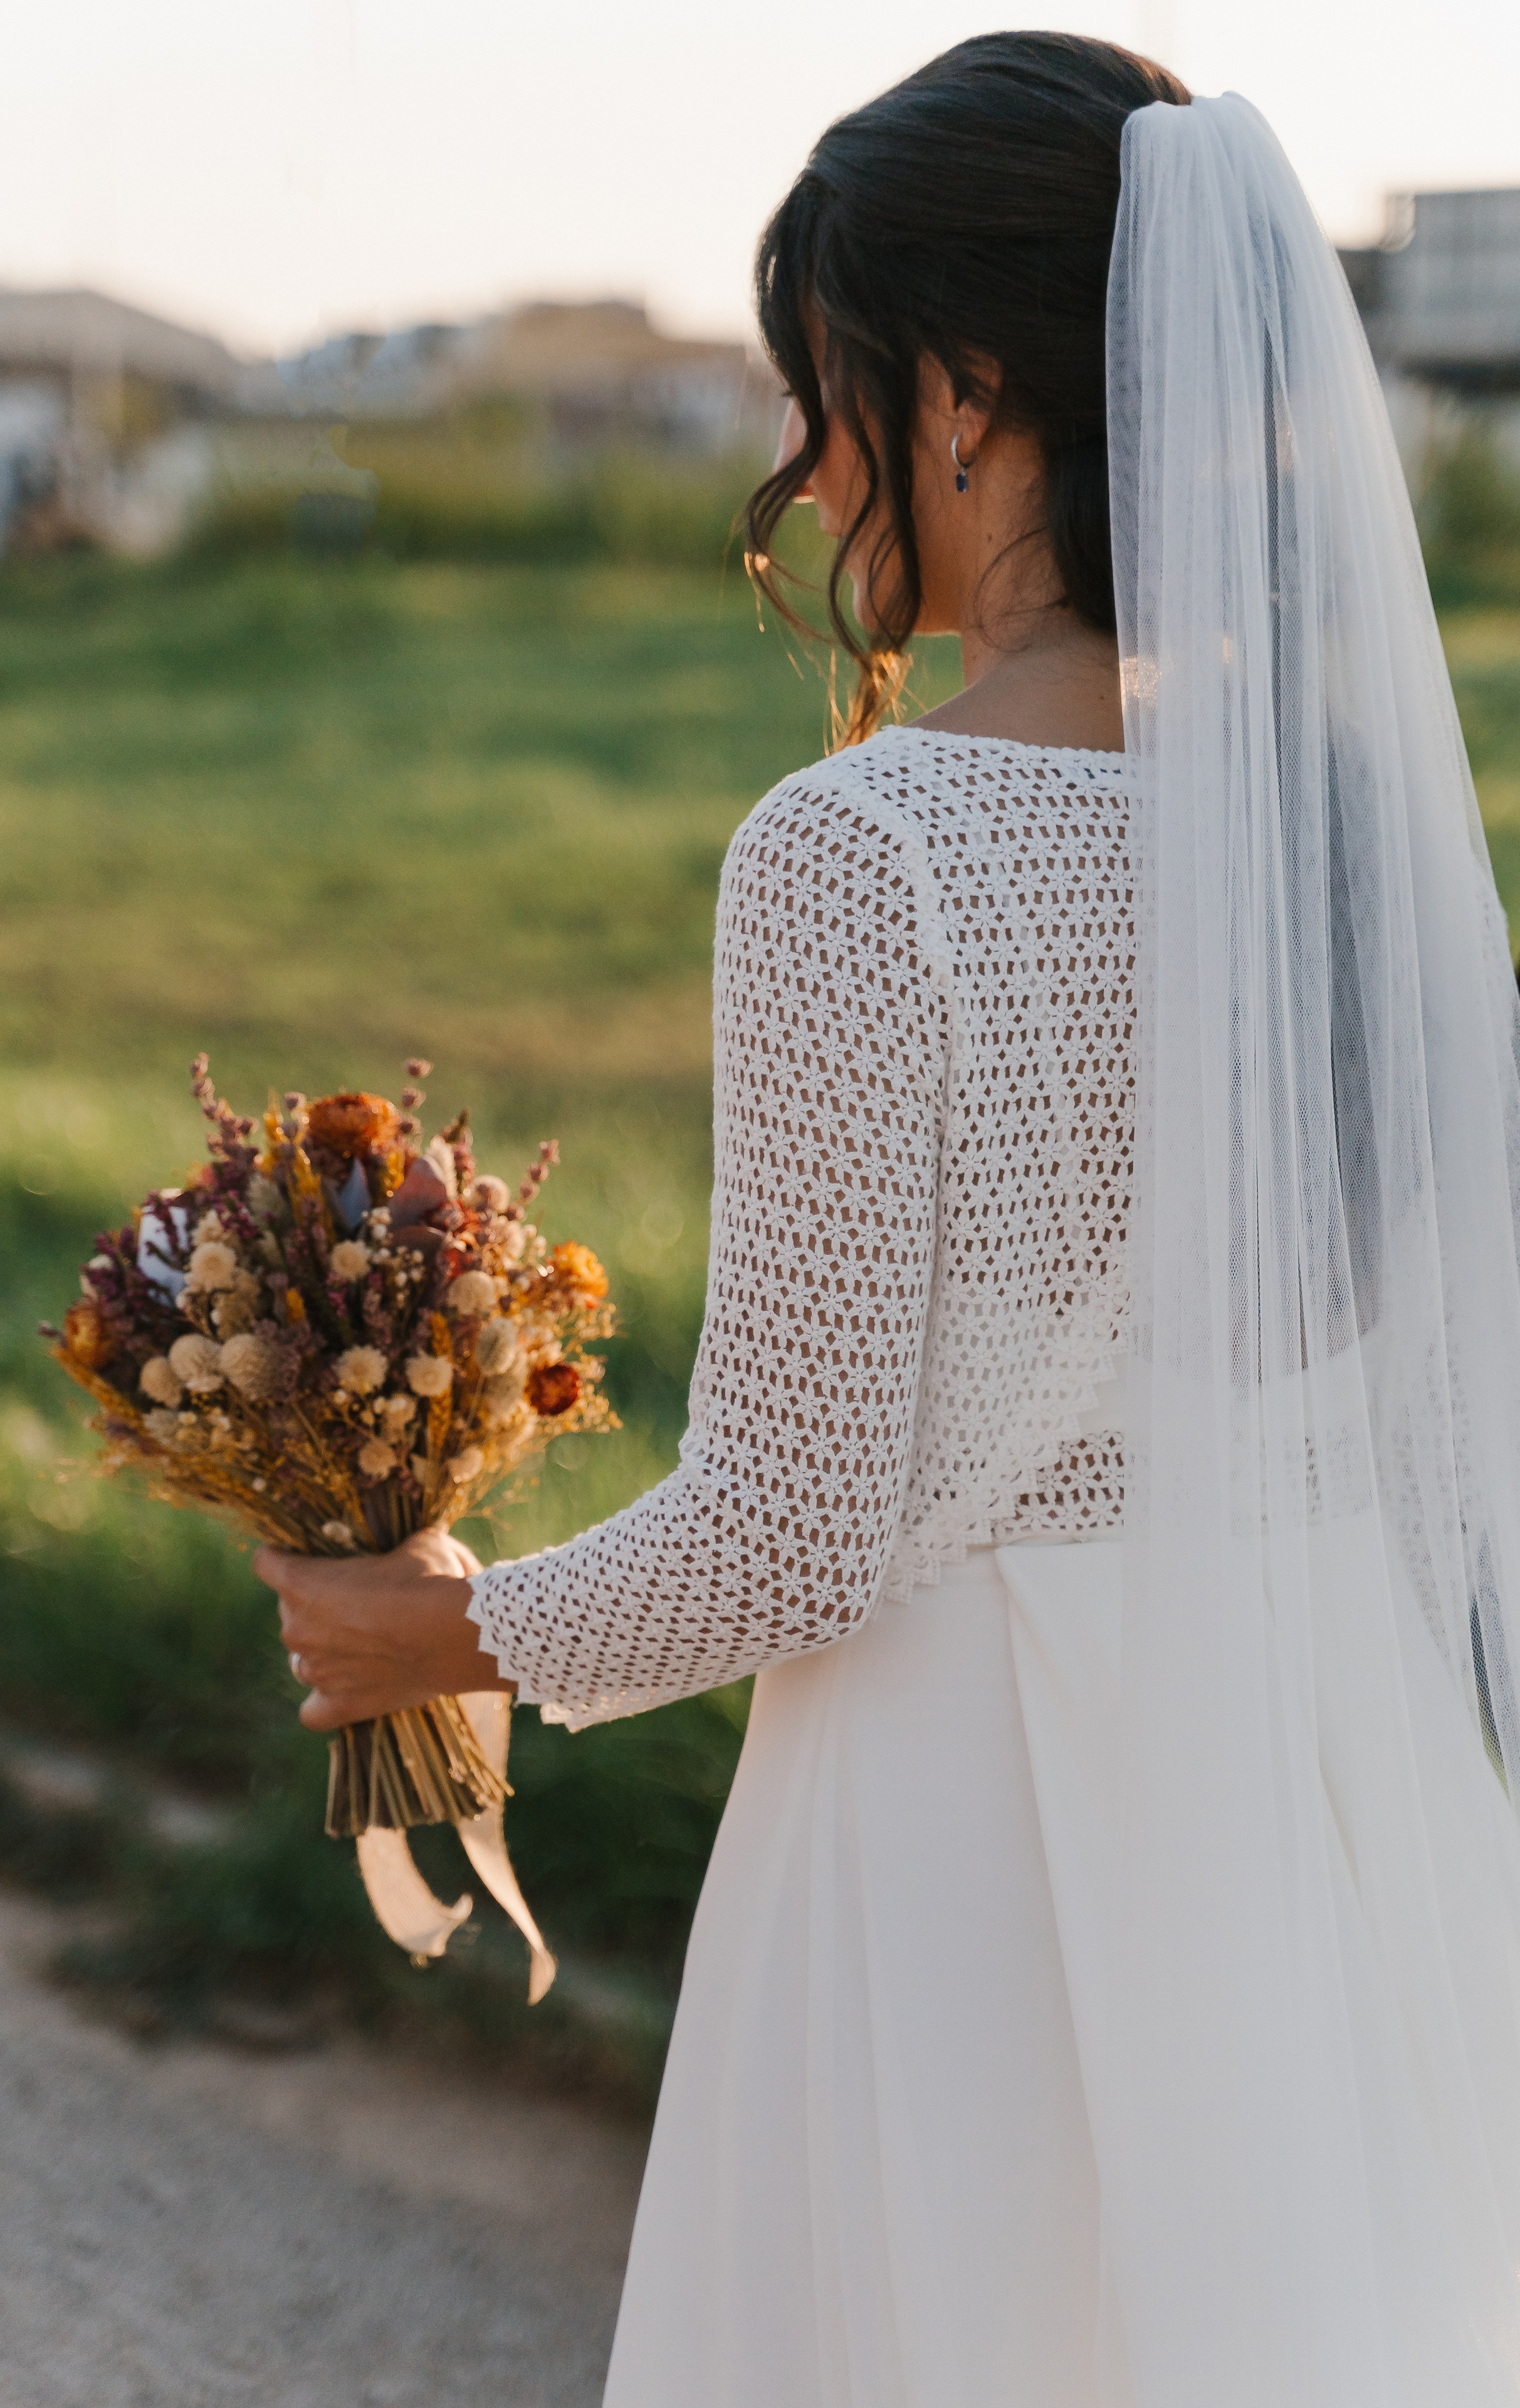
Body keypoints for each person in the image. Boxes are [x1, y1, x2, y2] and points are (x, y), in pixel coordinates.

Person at [258, 34, 1520, 2406]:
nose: (808, 465)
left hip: (973, 1869)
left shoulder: (872, 853)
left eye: (820, 389)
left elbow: (794, 1536)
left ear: (962, 391)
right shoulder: (1362, 854)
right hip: (1320, 1843)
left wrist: (439, 1631)